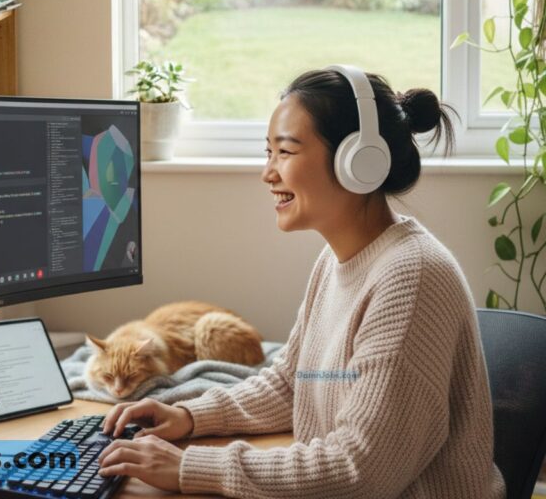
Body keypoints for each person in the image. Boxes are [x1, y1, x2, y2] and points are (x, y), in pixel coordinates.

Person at [97, 67, 507, 498]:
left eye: (285, 152)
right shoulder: (338, 260)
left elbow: (359, 468)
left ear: (359, 160)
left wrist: (191, 465)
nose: (267, 173)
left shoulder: (412, 277)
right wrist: (188, 415)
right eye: (267, 152)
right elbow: (293, 382)